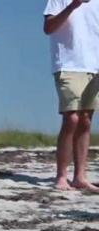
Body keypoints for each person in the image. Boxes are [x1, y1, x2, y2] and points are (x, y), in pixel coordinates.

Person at [44, 0, 99, 192]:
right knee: (72, 118)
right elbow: (49, 27)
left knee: (85, 120)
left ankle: (80, 176)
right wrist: (72, 6)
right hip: (69, 64)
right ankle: (61, 176)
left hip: (94, 65)